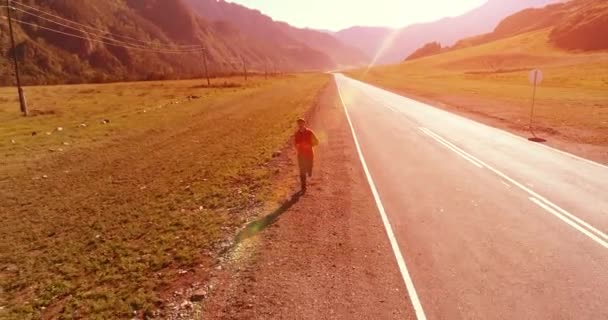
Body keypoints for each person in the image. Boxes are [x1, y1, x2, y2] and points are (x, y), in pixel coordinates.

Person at [294, 118, 319, 194]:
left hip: (309, 154)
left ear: (304, 123)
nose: (300, 125)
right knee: (302, 171)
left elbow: (317, 142)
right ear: (298, 125)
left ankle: (309, 169)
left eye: (301, 123)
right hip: (301, 155)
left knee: (309, 167)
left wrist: (310, 145)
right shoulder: (296, 134)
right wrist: (297, 146)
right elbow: (295, 143)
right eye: (299, 124)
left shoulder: (309, 132)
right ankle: (303, 187)